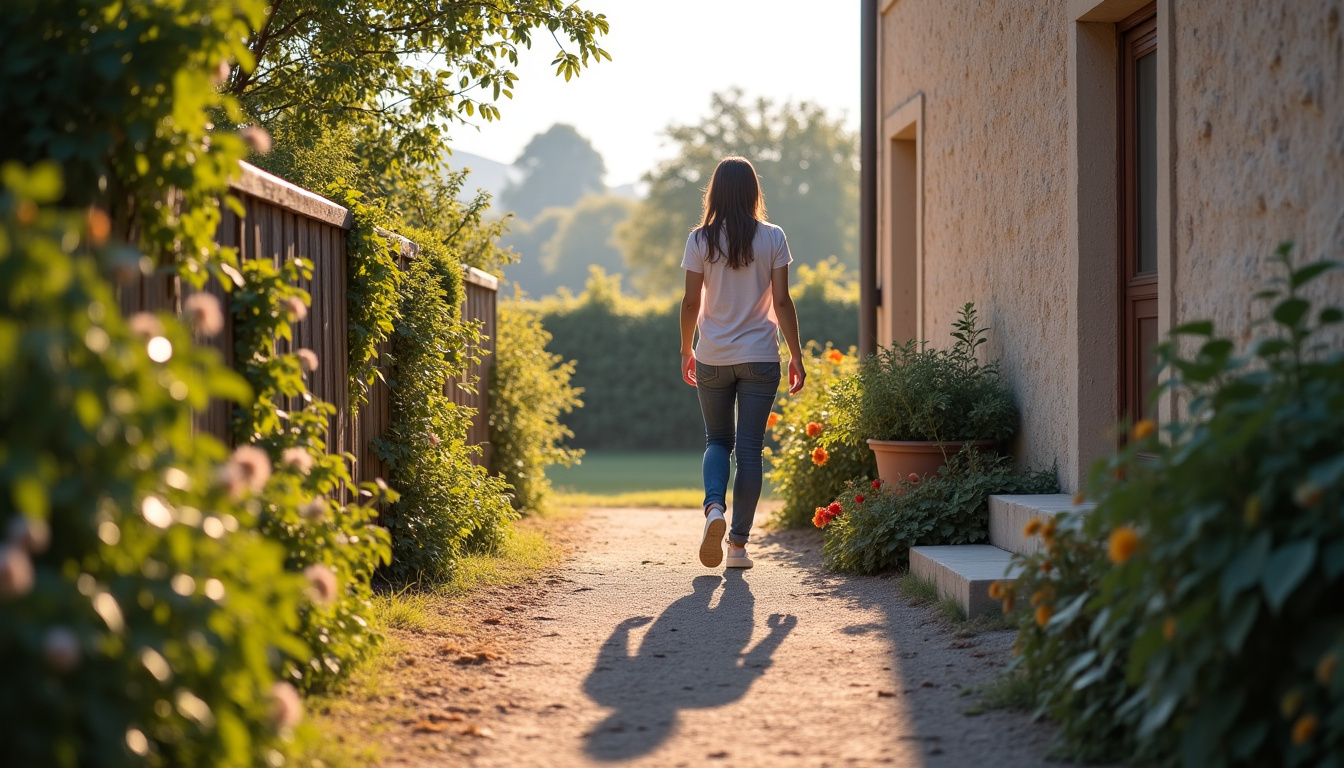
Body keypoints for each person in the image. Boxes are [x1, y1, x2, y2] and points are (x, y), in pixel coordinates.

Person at [679, 156, 806, 570]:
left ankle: (714, 508)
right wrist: (796, 355)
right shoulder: (773, 237)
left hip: (713, 356)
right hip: (761, 357)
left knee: (717, 440)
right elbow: (782, 301)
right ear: (754, 191)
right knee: (750, 449)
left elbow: (690, 302)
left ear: (715, 192)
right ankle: (737, 547)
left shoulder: (699, 240)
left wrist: (686, 349)